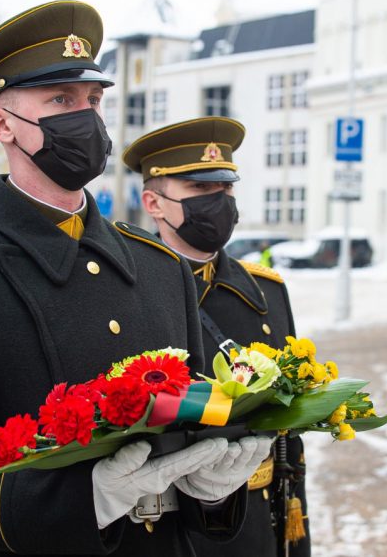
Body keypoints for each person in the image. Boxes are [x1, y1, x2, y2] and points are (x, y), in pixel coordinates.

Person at [0, 1, 270, 557]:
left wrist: (212, 491)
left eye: (92, 100)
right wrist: (82, 497)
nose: (84, 117)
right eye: (60, 100)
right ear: (1, 124)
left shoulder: (160, 267)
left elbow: (195, 417)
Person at [123, 117, 310, 557]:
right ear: (154, 202)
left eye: (224, 190)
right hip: (159, 526)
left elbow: (289, 432)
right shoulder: (127, 291)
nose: (218, 202)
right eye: (200, 190)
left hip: (252, 525)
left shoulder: (267, 292)